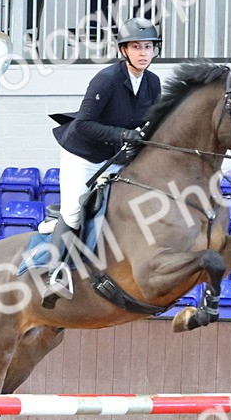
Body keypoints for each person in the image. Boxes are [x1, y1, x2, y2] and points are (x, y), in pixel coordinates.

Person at [43, 17, 163, 301]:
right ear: (124, 50)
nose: (143, 53)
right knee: (74, 210)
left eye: (148, 47)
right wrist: (123, 134)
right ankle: (54, 273)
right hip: (83, 154)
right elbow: (84, 123)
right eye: (136, 47)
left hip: (117, 156)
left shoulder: (152, 83)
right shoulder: (107, 79)